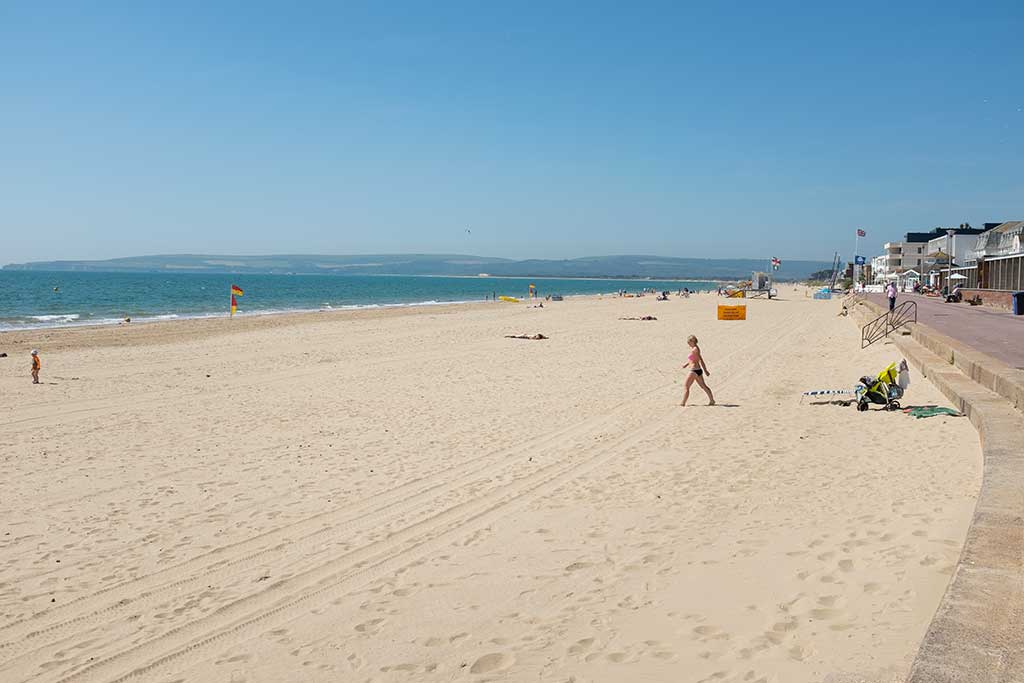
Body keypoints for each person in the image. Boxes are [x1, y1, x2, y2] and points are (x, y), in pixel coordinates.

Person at [681, 335, 715, 406]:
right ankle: (712, 400)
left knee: (686, 386)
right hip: (698, 370)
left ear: (692, 341)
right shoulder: (695, 348)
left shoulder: (695, 350)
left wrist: (706, 370)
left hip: (694, 370)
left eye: (689, 341)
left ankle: (683, 403)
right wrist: (686, 364)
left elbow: (701, 360)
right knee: (703, 386)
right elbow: (693, 359)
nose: (688, 343)